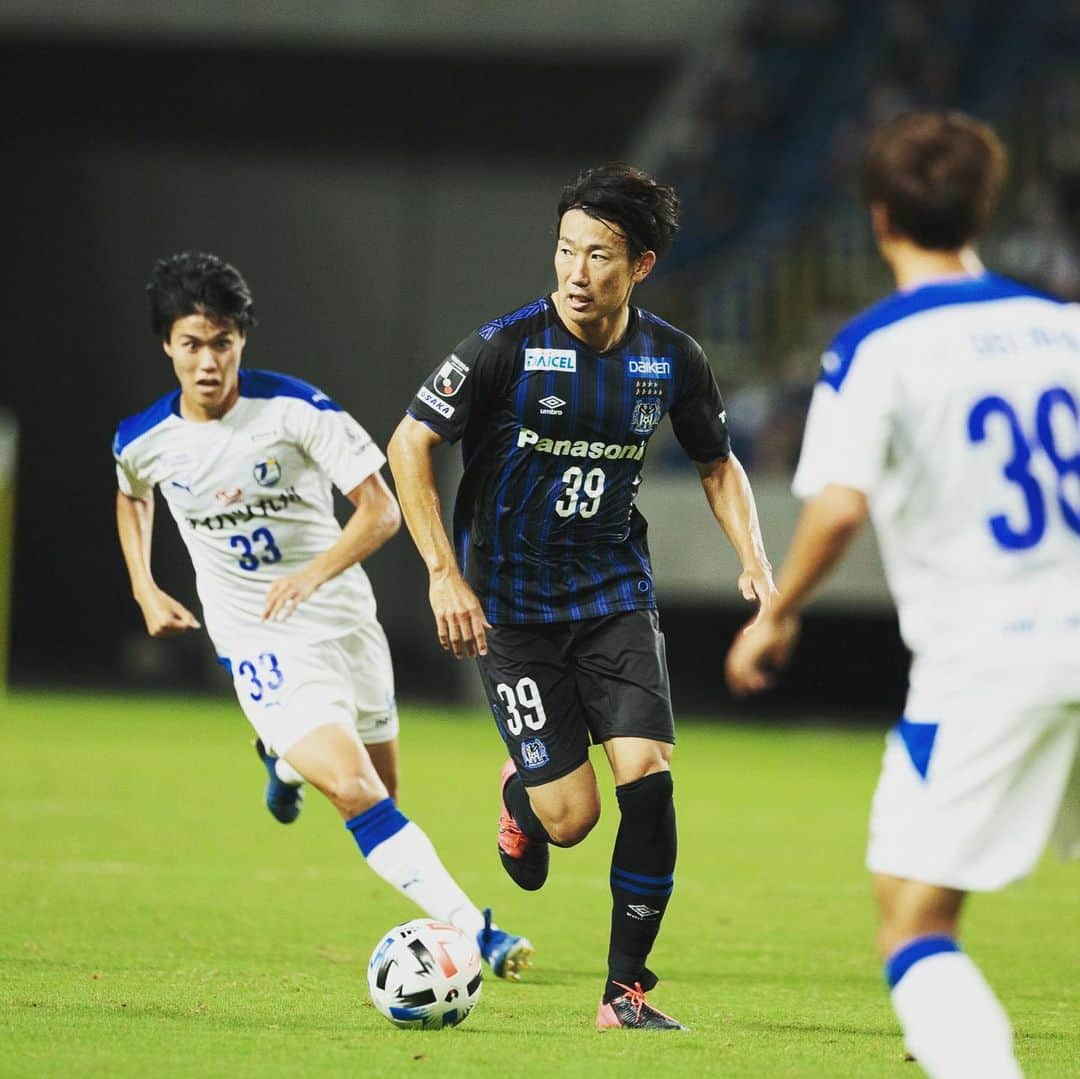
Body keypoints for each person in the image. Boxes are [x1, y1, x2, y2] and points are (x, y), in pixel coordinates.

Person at [725, 111, 1080, 1078]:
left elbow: (839, 508)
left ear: (880, 219)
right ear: (984, 208)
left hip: (991, 659)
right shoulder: (1065, 327)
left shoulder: (876, 347)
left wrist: (778, 612)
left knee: (913, 915)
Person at [387, 164, 776, 1029]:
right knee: (570, 820)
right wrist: (443, 571)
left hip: (612, 595)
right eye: (565, 248)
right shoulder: (503, 346)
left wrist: (755, 558)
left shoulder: (670, 357)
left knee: (650, 776)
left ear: (639, 265)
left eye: (598, 254)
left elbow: (717, 461)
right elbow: (409, 443)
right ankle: (524, 796)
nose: (575, 270)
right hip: (511, 610)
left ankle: (624, 990)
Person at [113, 251, 532, 982]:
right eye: (191, 343)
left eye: (222, 342)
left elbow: (381, 510)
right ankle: (477, 931)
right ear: (167, 346)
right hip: (257, 638)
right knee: (355, 790)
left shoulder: (296, 410)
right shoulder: (143, 437)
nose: (207, 361)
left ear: (241, 340)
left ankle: (280, 758)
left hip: (343, 622)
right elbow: (132, 493)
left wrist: (311, 574)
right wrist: (146, 587)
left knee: (384, 795)